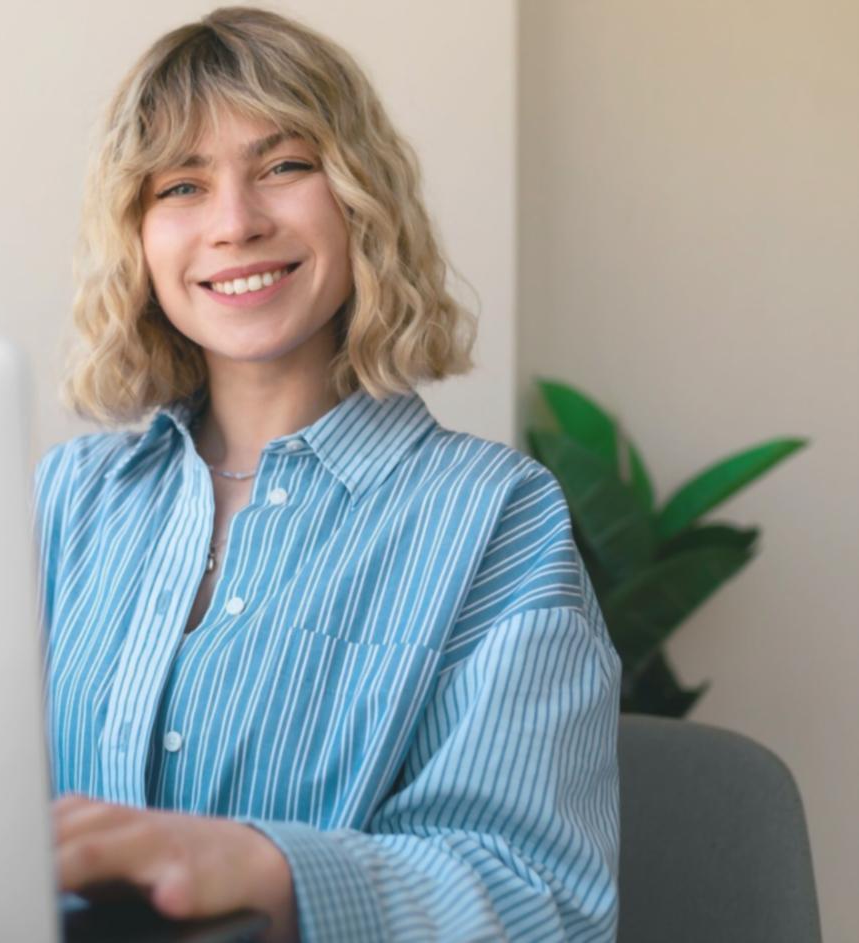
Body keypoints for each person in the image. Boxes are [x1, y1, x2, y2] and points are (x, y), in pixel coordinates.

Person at [34, 8, 620, 942]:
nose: (236, 222)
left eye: (284, 166)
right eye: (181, 185)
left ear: (360, 198)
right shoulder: (69, 497)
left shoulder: (495, 519)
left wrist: (266, 867)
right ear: (137, 236)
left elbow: (537, 898)